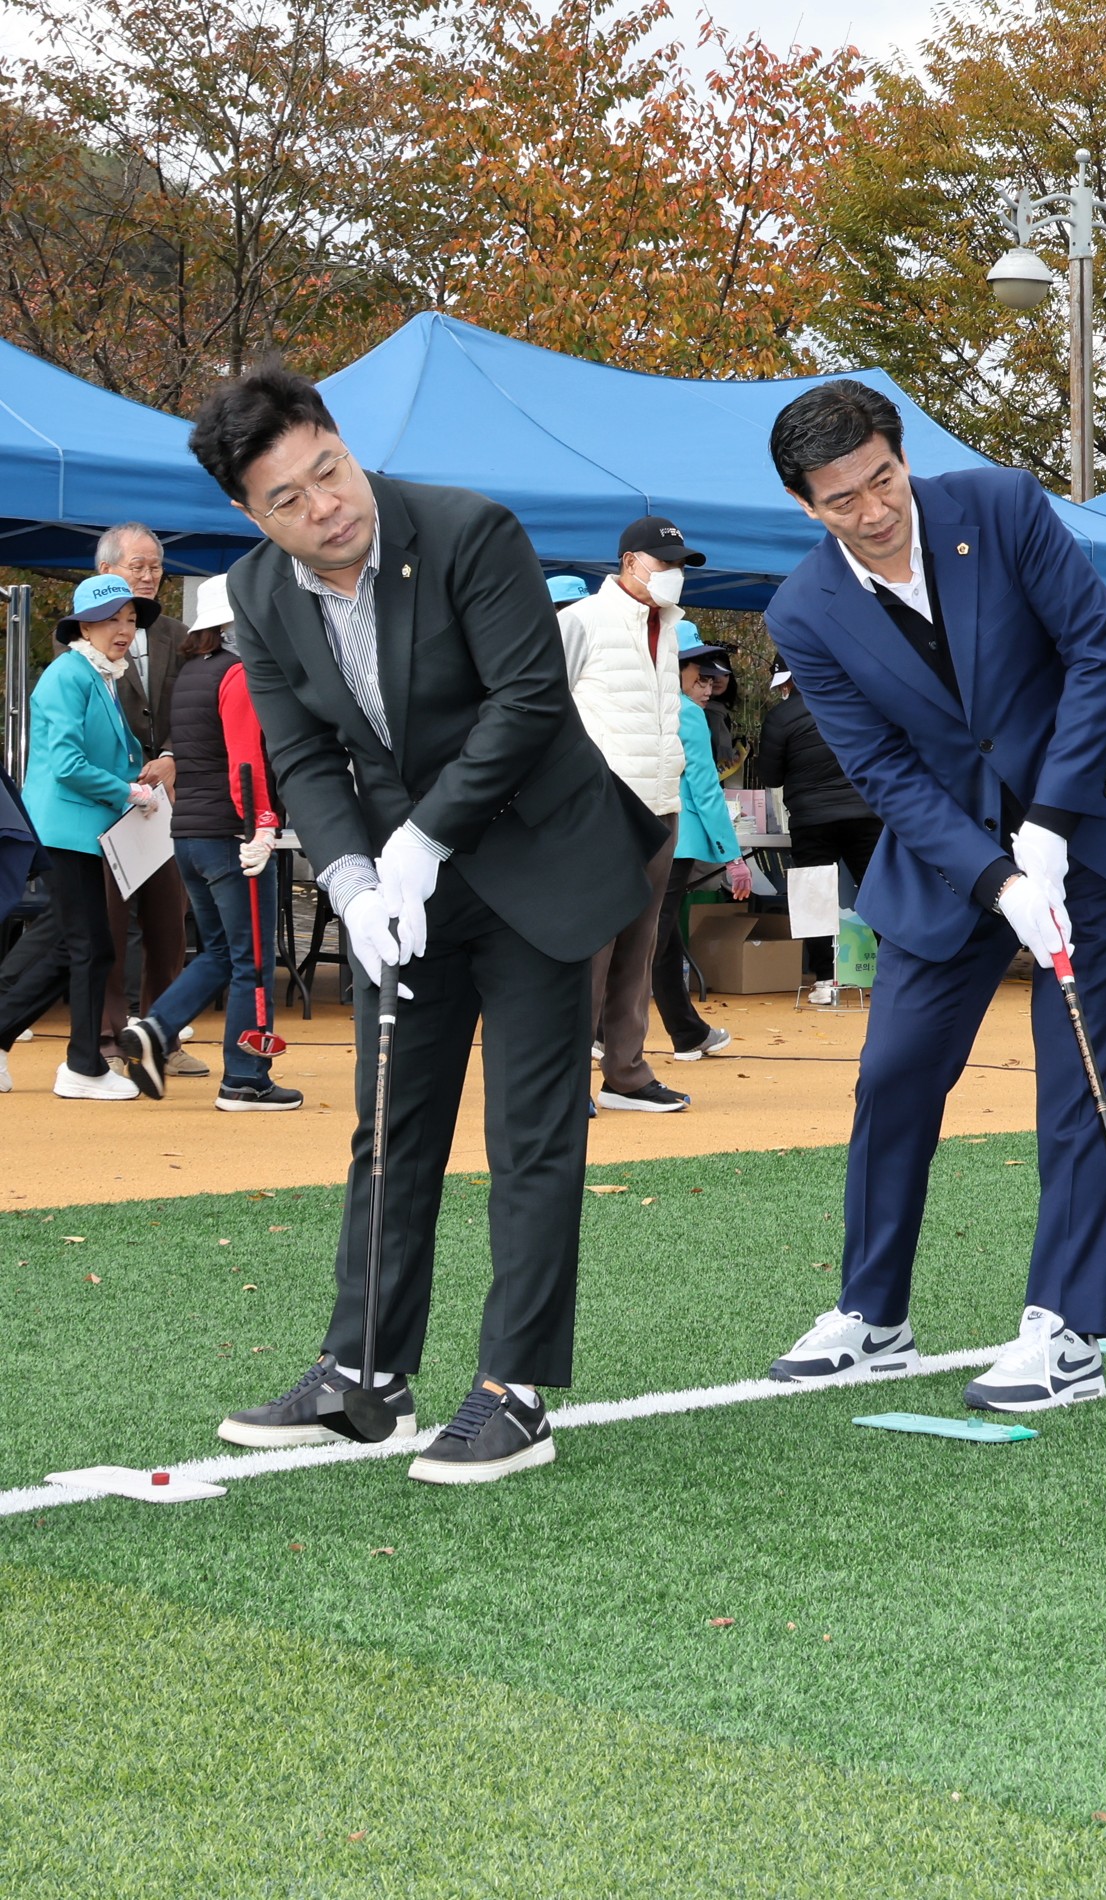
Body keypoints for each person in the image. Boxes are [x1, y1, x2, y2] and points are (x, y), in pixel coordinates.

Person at [195, 364, 663, 1483]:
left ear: (342, 442)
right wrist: (354, 881)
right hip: (404, 895)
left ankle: (515, 1387)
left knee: (530, 1130)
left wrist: (418, 841)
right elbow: (304, 753)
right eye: (289, 500)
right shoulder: (260, 594)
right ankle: (366, 1373)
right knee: (390, 1123)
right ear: (247, 514)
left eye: (329, 470)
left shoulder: (467, 531)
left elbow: (526, 701)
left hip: (536, 859)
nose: (325, 507)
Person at [757, 379, 1106, 1411]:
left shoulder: (999, 506)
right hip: (948, 864)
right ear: (807, 506)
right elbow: (883, 769)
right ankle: (874, 1311)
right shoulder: (802, 612)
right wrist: (995, 876)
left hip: (1095, 829)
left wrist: (1047, 825)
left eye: (882, 479)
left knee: (1075, 1082)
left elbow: (1093, 653)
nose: (873, 509)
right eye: (842, 498)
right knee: (896, 1073)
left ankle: (1067, 1328)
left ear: (901, 458)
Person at [110, 575, 303, 1110]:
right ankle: (245, 1077)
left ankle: (154, 1029)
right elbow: (245, 760)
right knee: (253, 961)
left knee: (221, 951)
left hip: (191, 834)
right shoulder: (238, 674)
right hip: (230, 834)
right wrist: (263, 824)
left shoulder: (193, 673)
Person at [558, 515, 699, 1113]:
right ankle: (564, 1082)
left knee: (641, 946)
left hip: (661, 801)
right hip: (601, 805)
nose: (672, 576)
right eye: (663, 563)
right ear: (629, 561)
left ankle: (627, 1073)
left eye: (679, 567)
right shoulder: (580, 620)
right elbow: (540, 706)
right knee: (591, 948)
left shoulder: (670, 629)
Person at [1, 576, 153, 1100]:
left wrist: (136, 778)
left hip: (81, 831)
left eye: (131, 620)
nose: (124, 629)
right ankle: (83, 1066)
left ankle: (38, 1049)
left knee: (78, 946)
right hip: (65, 829)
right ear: (84, 625)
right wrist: (128, 792)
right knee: (91, 948)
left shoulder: (97, 675)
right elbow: (67, 764)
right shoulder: (71, 674)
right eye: (112, 619)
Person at [93, 522, 199, 1073]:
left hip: (167, 799)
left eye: (155, 565)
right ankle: (111, 1038)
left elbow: (192, 710)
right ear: (106, 571)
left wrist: (175, 758)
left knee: (168, 918)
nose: (150, 575)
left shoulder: (176, 634)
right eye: (138, 565)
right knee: (111, 922)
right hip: (108, 799)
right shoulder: (81, 644)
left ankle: (164, 1034)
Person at [750, 665, 881, 1000]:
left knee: (813, 895)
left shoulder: (780, 717)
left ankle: (824, 980)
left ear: (787, 682)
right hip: (865, 812)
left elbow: (770, 776)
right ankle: (897, 973)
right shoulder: (855, 703)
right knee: (878, 890)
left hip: (811, 818)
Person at [650, 625, 749, 1063]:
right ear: (677, 665)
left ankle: (688, 1032)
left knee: (661, 939)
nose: (707, 687)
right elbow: (706, 788)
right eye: (700, 674)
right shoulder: (685, 714)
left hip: (643, 835)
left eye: (712, 679)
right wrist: (733, 857)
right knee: (651, 940)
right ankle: (598, 1030)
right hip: (677, 837)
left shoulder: (642, 704)